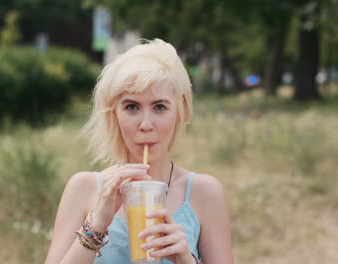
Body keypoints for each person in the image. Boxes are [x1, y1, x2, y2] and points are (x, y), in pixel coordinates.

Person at [44, 39, 233, 264]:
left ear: (180, 111)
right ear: (114, 113)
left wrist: (185, 259)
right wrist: (96, 226)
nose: (145, 124)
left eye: (159, 107)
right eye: (132, 107)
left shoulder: (205, 193)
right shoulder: (84, 189)